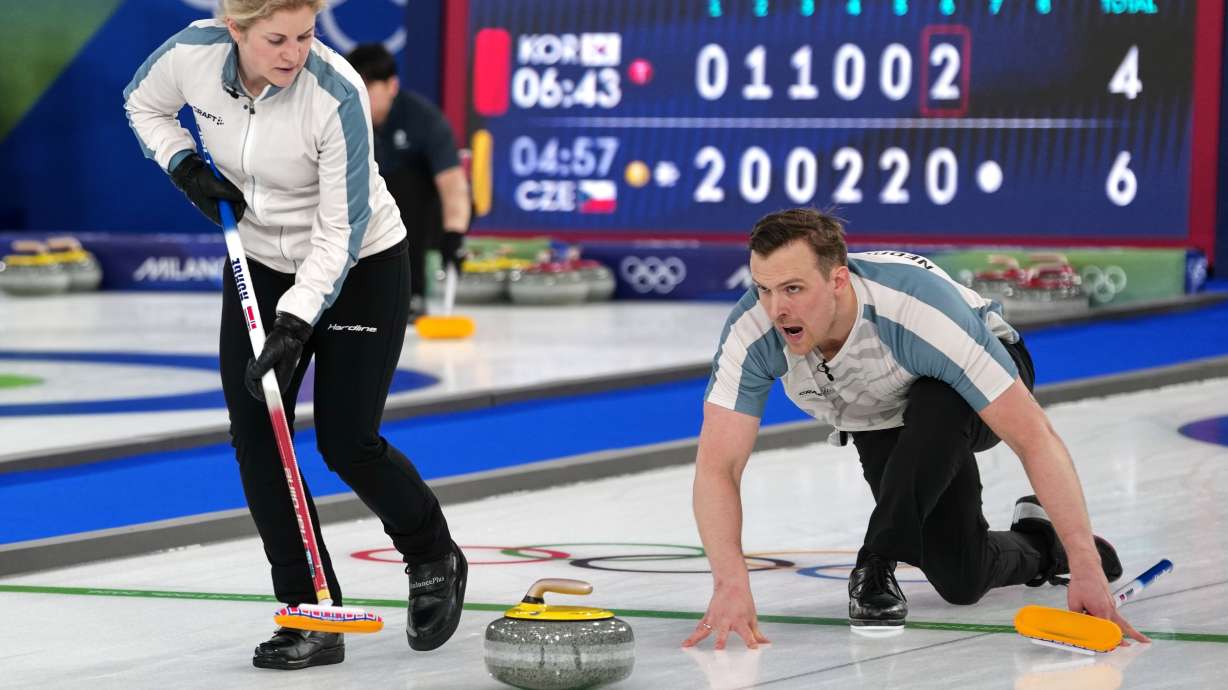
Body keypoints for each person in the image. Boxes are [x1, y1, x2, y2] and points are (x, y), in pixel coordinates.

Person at [123, 0, 466, 670]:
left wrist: (294, 321)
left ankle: (431, 554)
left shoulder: (334, 95)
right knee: (258, 435)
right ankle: (312, 612)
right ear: (234, 30)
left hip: (361, 263)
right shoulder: (190, 56)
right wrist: (183, 163)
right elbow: (142, 104)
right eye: (275, 39)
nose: (293, 52)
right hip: (257, 259)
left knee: (346, 439)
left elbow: (339, 235)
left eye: (305, 35)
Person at [682, 207, 1146, 649]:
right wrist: (729, 582)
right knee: (961, 576)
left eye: (793, 289)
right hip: (879, 412)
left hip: (968, 390)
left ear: (838, 279)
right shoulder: (752, 332)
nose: (775, 309)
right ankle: (1042, 545)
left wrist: (1087, 564)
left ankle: (875, 559)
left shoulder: (917, 312)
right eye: (763, 289)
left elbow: (1033, 437)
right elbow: (718, 466)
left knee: (938, 398)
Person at [344, 43, 470, 322]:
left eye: (369, 87)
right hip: (365, 211)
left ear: (392, 85)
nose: (361, 96)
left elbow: (453, 186)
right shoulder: (341, 120)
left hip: (423, 215)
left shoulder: (424, 121)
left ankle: (412, 294)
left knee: (403, 185)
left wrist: (454, 235)